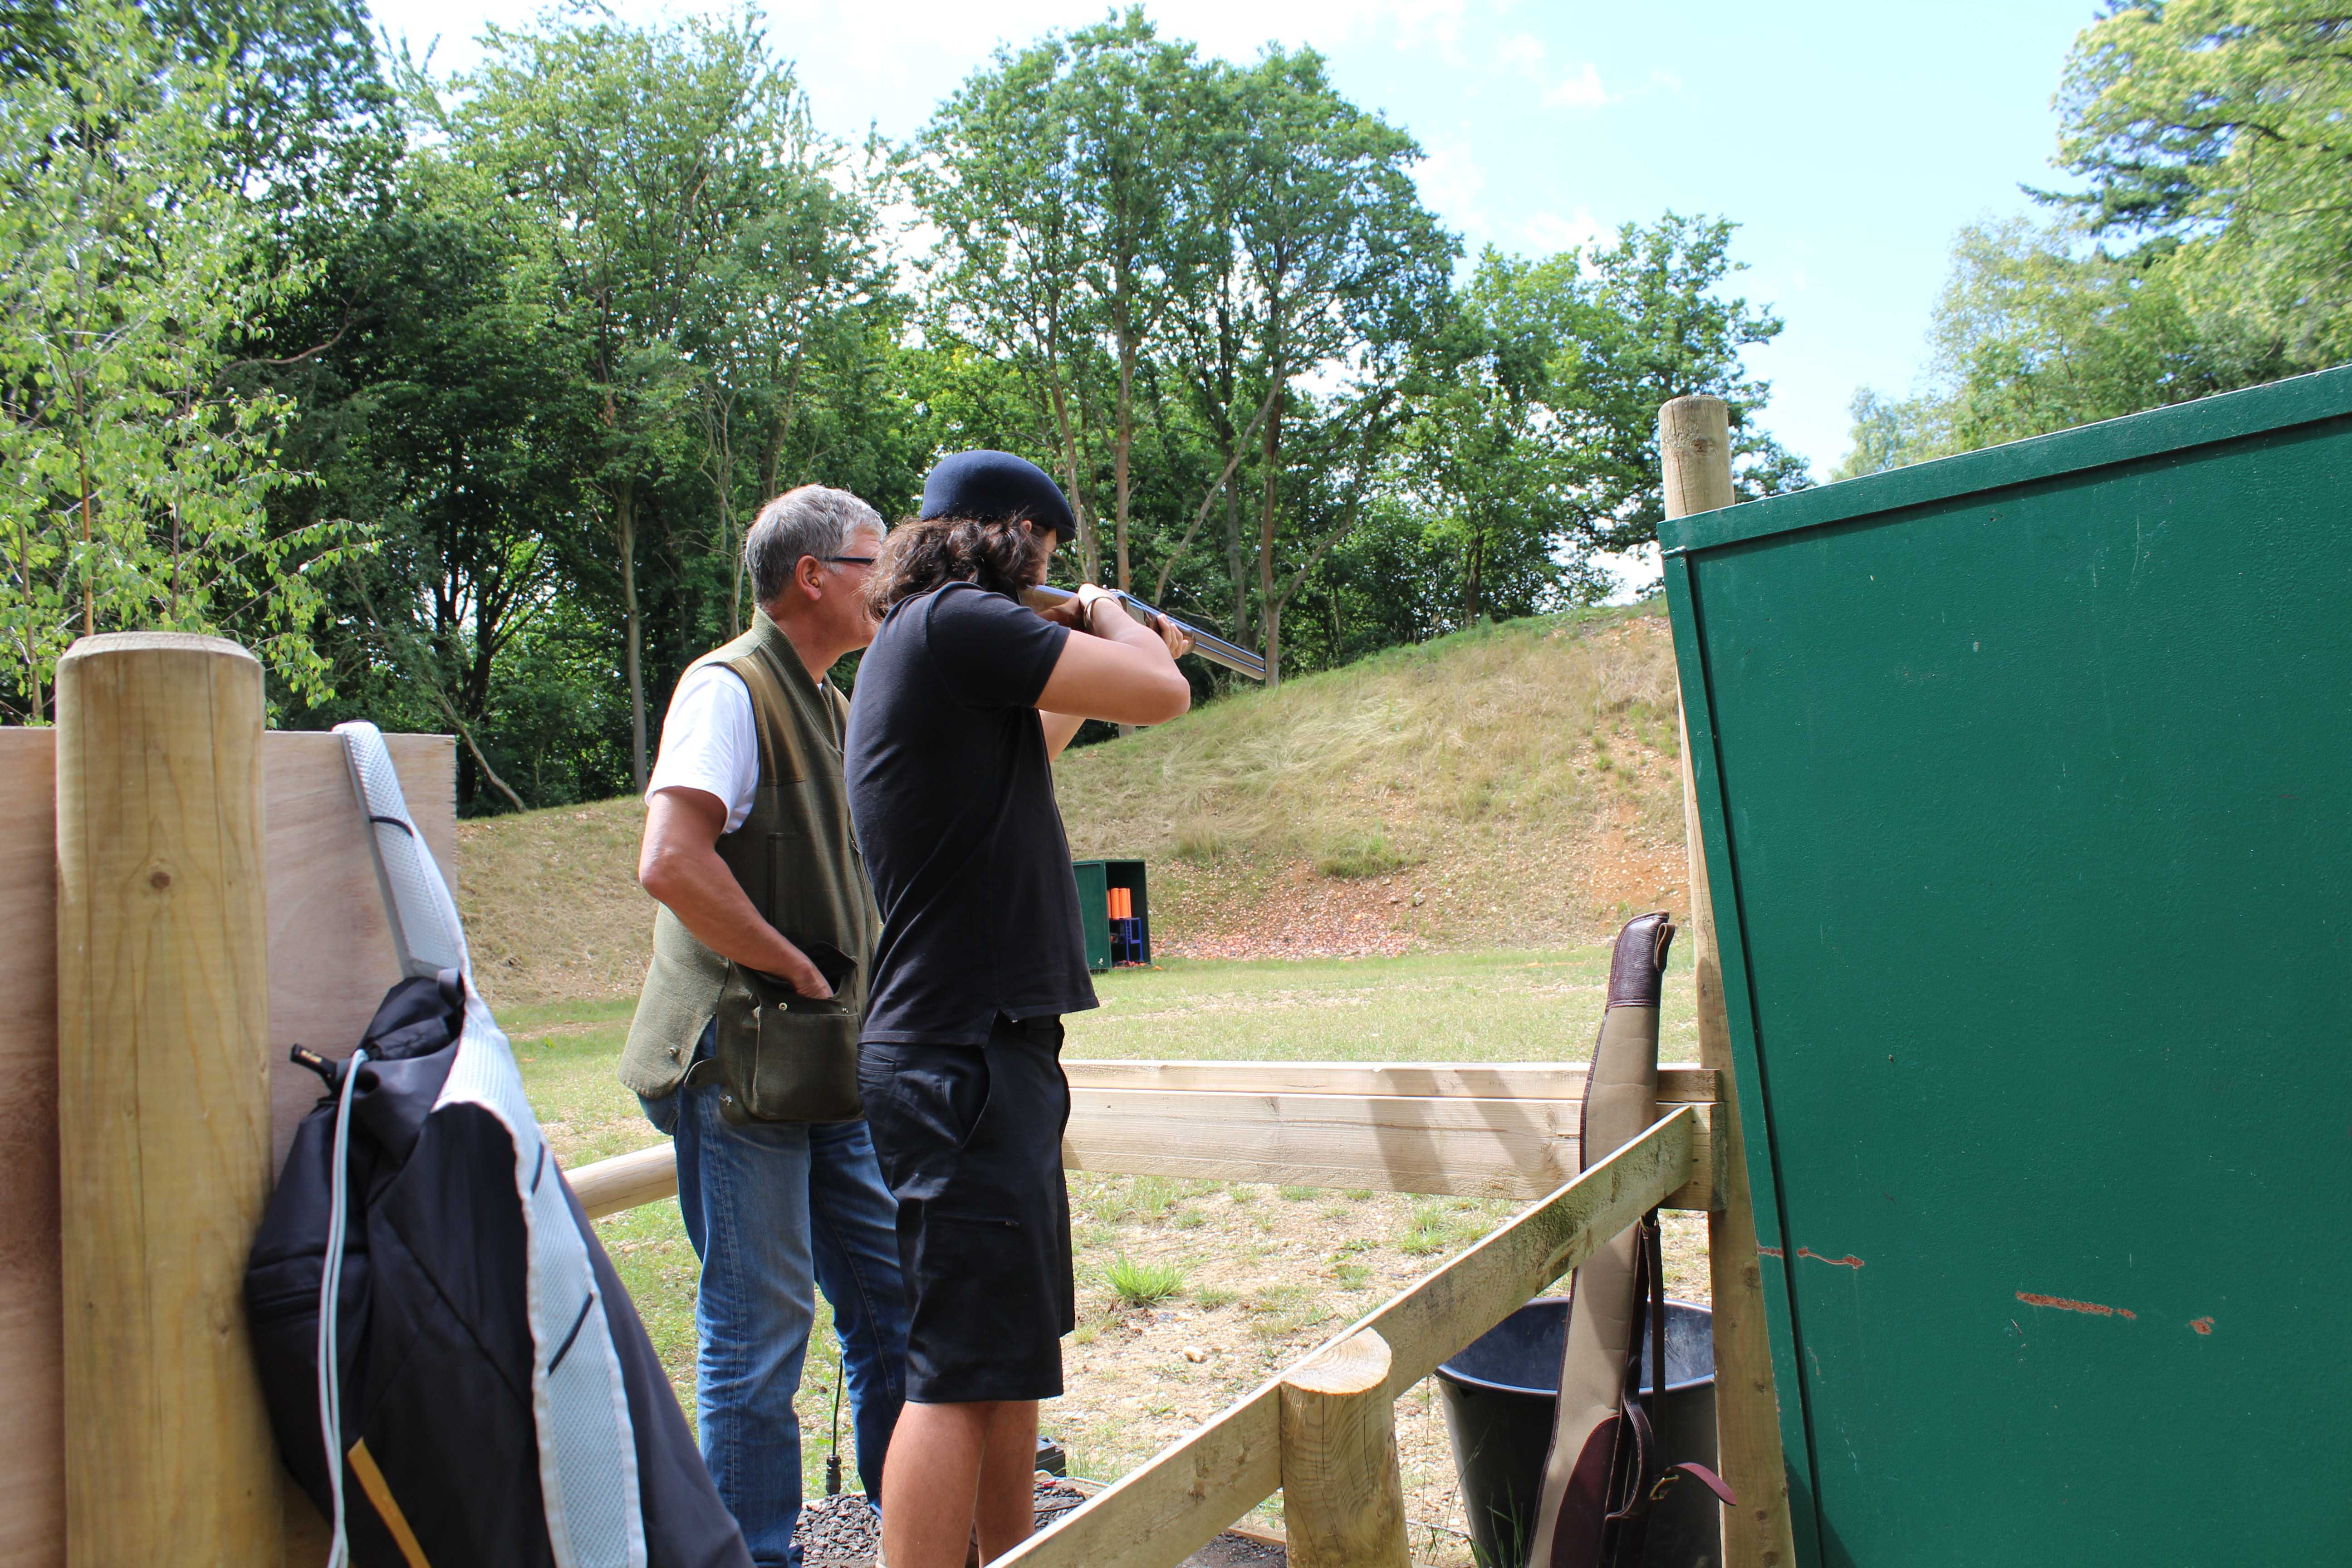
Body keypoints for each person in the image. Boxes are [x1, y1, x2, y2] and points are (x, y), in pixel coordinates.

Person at [844, 451, 1192, 1568]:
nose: (1047, 570)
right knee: (954, 1378)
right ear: (1010, 538)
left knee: (1003, 1361)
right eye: (1045, 550)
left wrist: (1109, 640)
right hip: (962, 1054)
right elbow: (1163, 695)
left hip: (981, 1049)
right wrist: (1115, 619)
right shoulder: (955, 622)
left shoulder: (929, 642)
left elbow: (1037, 738)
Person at [619, 485, 911, 1568]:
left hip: (819, 1060)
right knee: (758, 1338)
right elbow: (670, 862)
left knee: (894, 1304)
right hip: (740, 1064)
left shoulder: (832, 702)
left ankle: (919, 1537)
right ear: (813, 577)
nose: (890, 582)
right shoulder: (728, 688)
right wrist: (791, 964)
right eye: (876, 562)